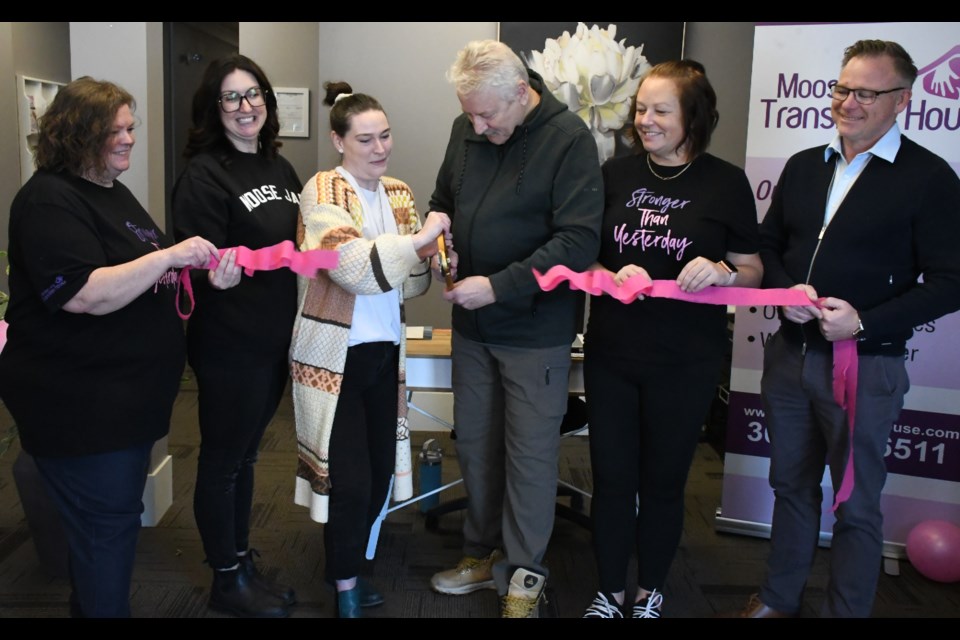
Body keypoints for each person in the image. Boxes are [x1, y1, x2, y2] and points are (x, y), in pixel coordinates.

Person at [733, 40, 960, 618]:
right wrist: (787, 293)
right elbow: (769, 246)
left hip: (869, 366)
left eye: (866, 92)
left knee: (856, 505)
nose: (848, 103)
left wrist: (865, 323)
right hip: (789, 357)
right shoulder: (805, 165)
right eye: (841, 88)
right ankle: (779, 600)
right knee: (790, 488)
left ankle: (846, 612)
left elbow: (951, 280)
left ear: (903, 100)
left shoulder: (929, 177)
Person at [0, 77, 219, 617]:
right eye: (115, 130)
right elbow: (83, 294)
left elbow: (140, 273)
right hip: (79, 409)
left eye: (130, 127)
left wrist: (198, 268)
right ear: (78, 135)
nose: (128, 139)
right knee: (105, 536)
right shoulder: (48, 201)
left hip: (122, 405)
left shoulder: (110, 191)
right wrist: (169, 257)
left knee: (109, 529)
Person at [578, 60, 763, 619]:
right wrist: (610, 274)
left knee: (663, 481)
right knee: (611, 478)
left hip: (686, 360)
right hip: (612, 353)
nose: (646, 120)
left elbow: (753, 270)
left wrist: (724, 274)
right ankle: (609, 591)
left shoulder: (726, 182)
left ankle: (648, 590)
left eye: (662, 110)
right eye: (641, 109)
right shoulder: (614, 175)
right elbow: (582, 254)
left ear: (694, 117)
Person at [427, 39, 603, 618]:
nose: (476, 125)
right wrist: (436, 235)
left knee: (529, 457)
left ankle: (524, 573)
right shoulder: (468, 125)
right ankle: (479, 554)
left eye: (488, 115)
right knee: (476, 446)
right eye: (469, 113)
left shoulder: (568, 139)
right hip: (472, 324)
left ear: (522, 93)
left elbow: (578, 242)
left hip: (533, 330)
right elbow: (443, 198)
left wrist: (499, 284)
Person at [290, 81, 450, 618]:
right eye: (365, 139)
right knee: (349, 480)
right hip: (334, 356)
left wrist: (424, 255)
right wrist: (418, 243)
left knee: (380, 472)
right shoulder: (322, 191)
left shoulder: (398, 193)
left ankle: (354, 567)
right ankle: (344, 586)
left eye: (385, 136)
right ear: (339, 141)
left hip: (385, 353)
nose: (379, 148)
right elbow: (354, 269)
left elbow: (412, 285)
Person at [171, 54, 302, 618]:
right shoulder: (204, 173)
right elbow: (196, 260)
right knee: (224, 460)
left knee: (248, 458)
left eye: (254, 95)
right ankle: (226, 580)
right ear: (213, 108)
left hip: (273, 338)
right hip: (228, 342)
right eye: (232, 98)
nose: (246, 107)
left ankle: (239, 557)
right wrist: (212, 273)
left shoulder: (280, 167)